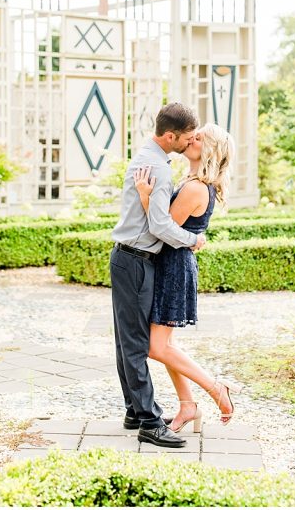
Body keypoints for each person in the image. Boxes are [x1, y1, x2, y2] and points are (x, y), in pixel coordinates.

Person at [133, 122, 242, 432]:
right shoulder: (194, 181)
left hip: (174, 268)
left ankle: (215, 389)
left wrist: (144, 195)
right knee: (166, 343)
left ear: (207, 149)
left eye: (199, 138)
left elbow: (161, 226)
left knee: (157, 346)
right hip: (174, 264)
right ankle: (188, 405)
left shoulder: (195, 187)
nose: (192, 139)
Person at [110, 102, 206, 449]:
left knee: (127, 340)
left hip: (128, 258)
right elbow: (161, 224)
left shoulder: (149, 158)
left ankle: (135, 411)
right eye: (187, 138)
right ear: (170, 136)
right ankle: (149, 421)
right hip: (135, 260)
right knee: (135, 343)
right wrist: (193, 239)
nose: (190, 143)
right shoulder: (159, 169)